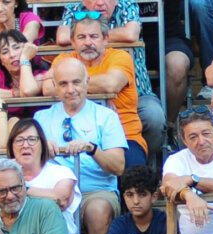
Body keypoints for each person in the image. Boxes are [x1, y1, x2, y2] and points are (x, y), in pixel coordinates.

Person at [35, 57, 126, 234]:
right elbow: (26, 164)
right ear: (55, 87)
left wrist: (92, 149)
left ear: (87, 83)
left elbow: (119, 167)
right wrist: (41, 149)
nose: (71, 89)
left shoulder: (106, 116)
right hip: (53, 191)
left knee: (97, 211)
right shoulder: (41, 117)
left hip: (94, 190)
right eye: (63, 84)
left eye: (76, 82)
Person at [41, 15, 146, 166]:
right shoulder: (63, 59)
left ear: (105, 39)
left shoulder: (120, 56)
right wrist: (95, 88)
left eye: (94, 36)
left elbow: (110, 84)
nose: (88, 42)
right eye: (81, 37)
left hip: (124, 134)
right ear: (72, 41)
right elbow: (48, 87)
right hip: (72, 138)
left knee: (134, 178)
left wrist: (71, 81)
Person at [4, 117, 80, 234]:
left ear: (42, 144)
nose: (25, 145)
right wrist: (8, 174)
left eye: (32, 139)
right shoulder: (3, 175)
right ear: (11, 146)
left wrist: (21, 188)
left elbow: (61, 199)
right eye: (19, 140)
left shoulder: (60, 172)